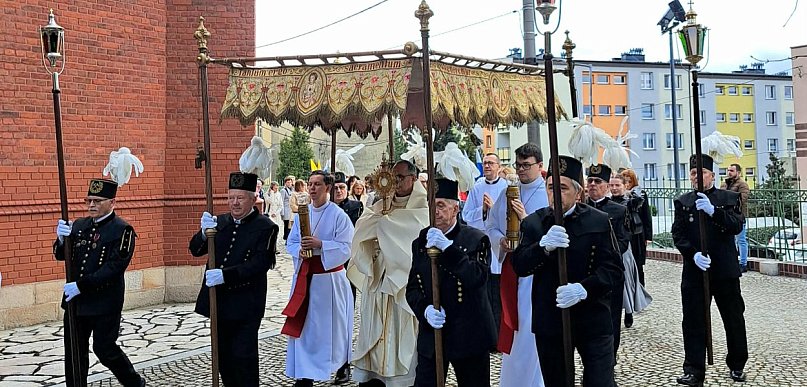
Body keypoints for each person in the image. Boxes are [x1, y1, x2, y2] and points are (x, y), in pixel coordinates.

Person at [511, 155, 623, 387]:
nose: (556, 194)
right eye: (551, 187)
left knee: (600, 381)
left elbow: (613, 269)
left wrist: (584, 289)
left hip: (592, 316)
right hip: (551, 319)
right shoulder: (534, 223)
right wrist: (542, 247)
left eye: (562, 188)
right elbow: (520, 265)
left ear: (578, 192)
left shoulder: (598, 220)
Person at [190, 172, 278, 387]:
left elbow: (260, 263)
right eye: (231, 197)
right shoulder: (219, 222)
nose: (234, 203)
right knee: (223, 358)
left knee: (243, 358)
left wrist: (225, 275)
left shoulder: (266, 226)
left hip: (246, 304)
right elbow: (195, 250)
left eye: (240, 198)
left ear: (253, 199)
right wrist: (203, 234)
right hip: (219, 303)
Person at [54, 179, 145, 387]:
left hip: (105, 302)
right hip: (77, 303)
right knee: (74, 353)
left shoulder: (122, 230)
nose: (92, 205)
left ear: (112, 202)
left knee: (105, 349)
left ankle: (134, 383)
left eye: (97, 201)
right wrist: (60, 240)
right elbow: (62, 255)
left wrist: (81, 286)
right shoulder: (79, 226)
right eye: (89, 200)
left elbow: (114, 267)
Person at [406, 177, 496, 387]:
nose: (435, 211)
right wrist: (425, 310)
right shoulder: (420, 242)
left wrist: (448, 249)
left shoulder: (475, 239)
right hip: (433, 331)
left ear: (455, 209)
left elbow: (477, 278)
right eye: (432, 205)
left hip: (468, 331)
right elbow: (413, 287)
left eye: (441, 205)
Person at [347, 160, 429, 387]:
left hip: (404, 282)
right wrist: (378, 226)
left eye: (400, 177)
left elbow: (414, 234)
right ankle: (374, 373)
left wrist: (385, 227)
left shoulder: (423, 208)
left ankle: (399, 378)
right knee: (375, 325)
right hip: (379, 277)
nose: (395, 182)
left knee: (399, 331)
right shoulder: (380, 205)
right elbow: (363, 229)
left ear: (413, 178)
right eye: (393, 177)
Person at [672, 154, 748, 386]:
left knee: (733, 318)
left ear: (712, 175)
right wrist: (692, 254)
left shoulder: (729, 197)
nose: (697, 177)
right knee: (693, 321)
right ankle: (694, 369)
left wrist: (714, 211)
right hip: (695, 270)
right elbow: (678, 234)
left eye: (702, 172)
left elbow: (736, 225)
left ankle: (737, 364)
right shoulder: (683, 201)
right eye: (693, 173)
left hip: (724, 269)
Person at [283, 171, 355, 387]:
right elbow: (291, 242)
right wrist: (300, 250)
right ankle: (305, 375)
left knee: (333, 327)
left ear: (328, 188)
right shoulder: (302, 215)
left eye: (317, 184)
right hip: (305, 277)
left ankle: (341, 365)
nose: (312, 188)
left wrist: (321, 244)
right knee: (305, 328)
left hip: (329, 280)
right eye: (310, 184)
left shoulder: (338, 216)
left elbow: (347, 247)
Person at [485, 143, 548, 387]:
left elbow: (549, 233)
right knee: (515, 329)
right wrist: (500, 241)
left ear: (539, 165)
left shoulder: (547, 194)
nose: (521, 170)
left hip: (537, 273)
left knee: (531, 331)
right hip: (512, 269)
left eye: (526, 165)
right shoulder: (507, 193)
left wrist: (526, 220)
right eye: (518, 165)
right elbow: (491, 226)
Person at [584, 164, 630, 365]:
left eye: (598, 181)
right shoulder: (580, 208)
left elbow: (623, 241)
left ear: (607, 186)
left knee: (611, 319)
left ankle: (609, 360)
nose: (593, 185)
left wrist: (605, 256)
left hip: (608, 273)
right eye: (590, 181)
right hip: (584, 273)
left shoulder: (618, 211)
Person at [462, 153, 507, 341]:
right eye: (485, 163)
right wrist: (483, 210)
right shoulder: (476, 187)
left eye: (491, 163)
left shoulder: (506, 187)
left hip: (500, 245)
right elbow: (466, 215)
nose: (487, 166)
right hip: (482, 244)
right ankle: (487, 335)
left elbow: (507, 216)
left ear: (498, 166)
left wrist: (494, 209)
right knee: (484, 294)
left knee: (499, 294)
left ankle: (500, 335)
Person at [331, 171, 364, 384]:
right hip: (324, 271)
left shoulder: (355, 207)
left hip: (346, 269)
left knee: (344, 318)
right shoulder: (323, 209)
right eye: (334, 188)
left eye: (342, 187)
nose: (339, 191)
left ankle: (344, 364)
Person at [609, 174, 653, 329]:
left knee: (628, 279)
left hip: (630, 243)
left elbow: (643, 211)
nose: (614, 188)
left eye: (617, 185)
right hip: (611, 244)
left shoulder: (630, 201)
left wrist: (648, 236)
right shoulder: (607, 203)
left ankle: (628, 311)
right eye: (612, 185)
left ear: (625, 186)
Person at [620, 169, 653, 285]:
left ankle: (640, 285)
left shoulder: (640, 194)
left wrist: (648, 236)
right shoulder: (620, 195)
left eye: (630, 181)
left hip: (638, 233)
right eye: (625, 181)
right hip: (625, 232)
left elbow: (646, 215)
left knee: (638, 263)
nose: (627, 184)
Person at [721, 163, 750, 273]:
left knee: (741, 240)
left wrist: (728, 200)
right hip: (726, 215)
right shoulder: (724, 184)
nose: (729, 172)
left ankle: (743, 263)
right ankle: (732, 261)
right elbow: (720, 196)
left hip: (738, 216)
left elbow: (742, 199)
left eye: (732, 171)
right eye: (728, 170)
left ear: (738, 172)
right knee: (729, 240)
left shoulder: (742, 184)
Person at [281, 176, 295, 240]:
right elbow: (282, 201)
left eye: (290, 182)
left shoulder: (292, 189)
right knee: (286, 225)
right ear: (285, 183)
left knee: (290, 226)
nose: (289, 184)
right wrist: (282, 213)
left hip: (291, 210)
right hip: (286, 210)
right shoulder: (283, 190)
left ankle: (289, 238)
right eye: (288, 182)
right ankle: (286, 238)